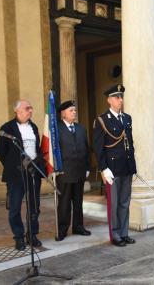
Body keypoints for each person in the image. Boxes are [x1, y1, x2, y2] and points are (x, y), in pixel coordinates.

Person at [93, 84, 136, 247]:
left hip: (126, 167)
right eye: (117, 97)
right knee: (114, 203)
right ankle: (115, 234)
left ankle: (124, 233)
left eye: (121, 97)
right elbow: (98, 148)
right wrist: (104, 168)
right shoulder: (102, 120)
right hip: (112, 169)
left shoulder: (127, 118)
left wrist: (133, 165)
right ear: (109, 100)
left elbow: (130, 143)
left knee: (125, 202)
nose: (120, 100)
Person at [0, 100, 43, 250]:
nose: (30, 111)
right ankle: (18, 237)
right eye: (27, 108)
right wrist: (13, 166)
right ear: (17, 111)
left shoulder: (34, 127)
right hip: (16, 175)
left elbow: (37, 148)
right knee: (15, 207)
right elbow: (1, 151)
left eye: (31, 108)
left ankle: (32, 234)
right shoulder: (7, 128)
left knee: (34, 207)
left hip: (33, 172)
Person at [56, 101, 91, 241]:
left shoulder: (81, 128)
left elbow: (86, 149)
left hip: (79, 171)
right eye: (71, 110)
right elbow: (54, 152)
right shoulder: (56, 130)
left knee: (78, 201)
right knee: (64, 202)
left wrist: (87, 167)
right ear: (63, 113)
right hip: (64, 173)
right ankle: (62, 229)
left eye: (75, 110)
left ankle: (78, 226)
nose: (74, 112)